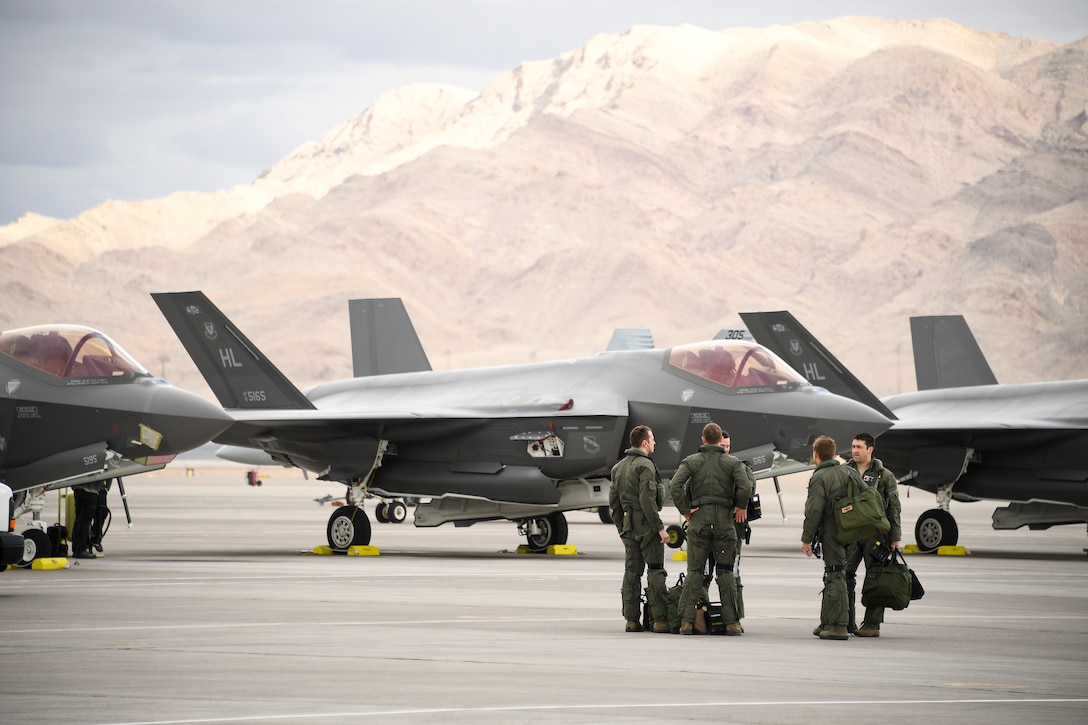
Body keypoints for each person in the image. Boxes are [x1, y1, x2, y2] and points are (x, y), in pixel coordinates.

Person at [669, 422, 751, 635]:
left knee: (695, 572)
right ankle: (732, 622)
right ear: (719, 442)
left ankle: (687, 622)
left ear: (703, 440)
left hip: (699, 523)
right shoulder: (732, 463)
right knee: (725, 573)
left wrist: (686, 510)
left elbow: (674, 485)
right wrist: (740, 505)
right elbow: (746, 486)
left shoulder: (691, 462)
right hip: (724, 522)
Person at [801, 435, 865, 640]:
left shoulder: (819, 478)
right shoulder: (850, 472)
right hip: (853, 531)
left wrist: (806, 538)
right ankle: (828, 621)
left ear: (816, 455)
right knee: (836, 574)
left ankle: (838, 626)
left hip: (833, 531)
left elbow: (814, 511)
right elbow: (866, 497)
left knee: (835, 574)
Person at [609, 425, 670, 633]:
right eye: (652, 439)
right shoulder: (645, 466)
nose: (654, 443)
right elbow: (647, 501)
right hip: (647, 528)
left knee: (631, 574)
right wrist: (660, 528)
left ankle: (631, 620)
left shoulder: (618, 468)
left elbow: (614, 504)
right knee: (655, 571)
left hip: (629, 527)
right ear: (644, 443)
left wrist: (622, 530)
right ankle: (660, 620)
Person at [844, 433, 902, 637]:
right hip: (850, 534)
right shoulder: (844, 472)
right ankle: (846, 621)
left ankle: (872, 624)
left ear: (870, 449)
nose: (855, 450)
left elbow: (893, 507)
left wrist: (895, 537)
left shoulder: (884, 475)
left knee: (875, 578)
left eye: (859, 446)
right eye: (853, 446)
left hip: (875, 534)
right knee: (844, 576)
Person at [721, 431, 757, 629]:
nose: (726, 450)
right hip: (713, 528)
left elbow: (750, 486)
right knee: (704, 574)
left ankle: (735, 618)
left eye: (728, 446)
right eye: (722, 446)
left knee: (733, 572)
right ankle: (697, 617)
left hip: (734, 529)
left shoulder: (740, 467)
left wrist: (741, 504)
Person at [71, 482, 101, 559]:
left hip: (78, 488)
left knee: (79, 519)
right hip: (90, 490)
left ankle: (76, 548)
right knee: (85, 520)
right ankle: (81, 549)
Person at [90, 479, 113, 553]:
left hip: (100, 488)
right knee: (87, 515)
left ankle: (96, 537)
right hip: (89, 488)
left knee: (102, 513)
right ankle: (90, 538)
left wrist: (107, 486)